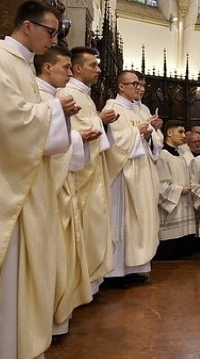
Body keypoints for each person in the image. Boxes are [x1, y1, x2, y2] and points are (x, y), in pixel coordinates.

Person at [0, 0, 78, 359]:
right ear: (27, 26)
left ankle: (21, 344)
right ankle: (2, 348)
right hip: (5, 189)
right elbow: (9, 123)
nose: (53, 39)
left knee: (27, 272)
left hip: (24, 184)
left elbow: (27, 118)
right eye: (50, 32)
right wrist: (54, 110)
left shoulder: (22, 67)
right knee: (9, 273)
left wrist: (51, 112)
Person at [34, 46, 94, 337]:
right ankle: (49, 320)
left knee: (62, 252)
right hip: (45, 189)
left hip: (60, 182)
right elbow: (35, 140)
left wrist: (76, 137)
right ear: (47, 67)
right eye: (65, 67)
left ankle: (58, 315)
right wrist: (77, 136)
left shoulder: (54, 97)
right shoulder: (42, 96)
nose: (69, 74)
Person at [59, 46, 118, 294]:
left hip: (91, 170)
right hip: (79, 174)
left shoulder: (85, 94)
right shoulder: (67, 93)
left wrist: (100, 123)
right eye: (93, 64)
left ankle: (91, 282)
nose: (99, 69)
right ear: (77, 68)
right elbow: (72, 132)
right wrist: (99, 122)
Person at [104, 70, 161, 286]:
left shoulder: (142, 108)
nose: (139, 88)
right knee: (124, 221)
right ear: (121, 87)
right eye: (134, 84)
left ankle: (136, 267)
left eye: (139, 84)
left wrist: (150, 134)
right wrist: (137, 133)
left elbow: (155, 141)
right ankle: (116, 272)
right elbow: (113, 143)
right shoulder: (112, 108)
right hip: (123, 176)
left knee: (141, 220)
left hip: (143, 173)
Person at [155, 120, 199, 259]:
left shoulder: (180, 155)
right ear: (169, 133)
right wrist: (180, 190)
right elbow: (160, 184)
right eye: (180, 132)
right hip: (173, 203)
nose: (183, 135)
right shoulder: (163, 155)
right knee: (171, 251)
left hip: (184, 201)